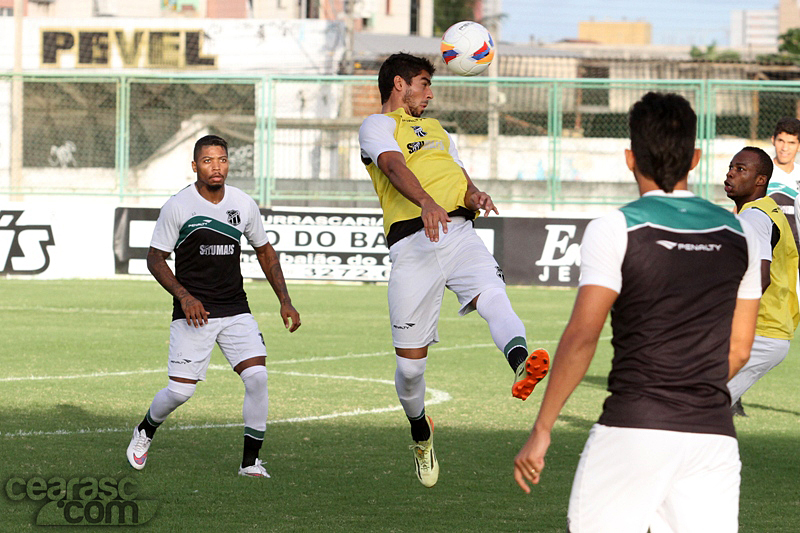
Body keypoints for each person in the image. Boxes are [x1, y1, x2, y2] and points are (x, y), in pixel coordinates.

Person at [513, 92, 762, 532]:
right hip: (713, 437)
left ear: (630, 158)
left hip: (634, 429)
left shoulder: (615, 227)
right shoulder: (741, 232)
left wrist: (543, 427)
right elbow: (740, 350)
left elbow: (582, 336)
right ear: (696, 158)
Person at [358, 53, 549, 488]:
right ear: (399, 84)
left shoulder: (441, 131)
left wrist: (475, 194)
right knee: (410, 371)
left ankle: (521, 363)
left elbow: (459, 178)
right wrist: (426, 201)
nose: (430, 92)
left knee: (493, 295)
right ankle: (420, 432)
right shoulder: (377, 125)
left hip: (460, 232)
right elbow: (393, 165)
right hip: (413, 243)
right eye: (424, 83)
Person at [126, 134, 301, 478]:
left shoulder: (243, 203)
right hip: (194, 313)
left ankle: (250, 463)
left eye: (221, 159)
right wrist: (185, 296)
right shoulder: (178, 206)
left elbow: (265, 252)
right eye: (208, 161)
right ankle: (145, 430)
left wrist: (286, 301)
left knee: (257, 377)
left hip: (235, 309)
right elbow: (155, 258)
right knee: (179, 392)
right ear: (195, 166)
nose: (216, 167)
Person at [724, 146, 799, 414]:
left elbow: (760, 278)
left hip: (761, 332)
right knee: (706, 406)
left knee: (697, 402)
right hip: (771, 330)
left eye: (740, 169)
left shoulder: (754, 216)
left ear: (761, 180)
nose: (730, 174)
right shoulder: (768, 210)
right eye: (731, 167)